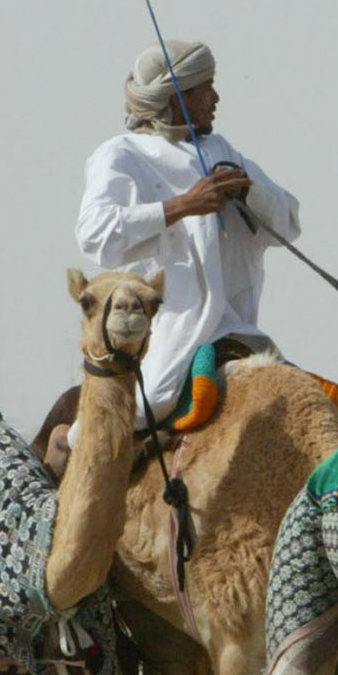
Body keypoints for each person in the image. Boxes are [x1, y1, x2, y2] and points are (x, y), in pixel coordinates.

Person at [74, 37, 301, 435]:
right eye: (205, 87)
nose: (216, 98)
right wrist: (183, 205)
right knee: (122, 425)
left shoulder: (221, 150)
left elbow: (288, 224)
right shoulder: (121, 154)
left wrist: (250, 191)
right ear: (176, 97)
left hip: (237, 329)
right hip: (167, 332)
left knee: (307, 401)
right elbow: (95, 234)